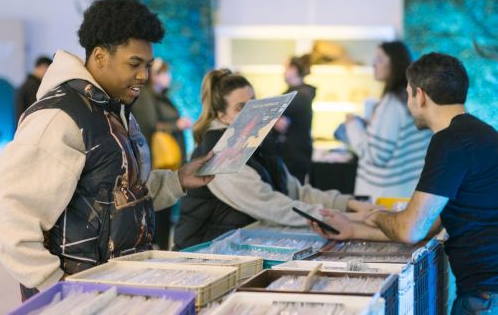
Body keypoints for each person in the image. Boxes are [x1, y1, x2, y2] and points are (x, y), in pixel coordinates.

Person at [0, 0, 213, 301]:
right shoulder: (59, 117)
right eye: (134, 64)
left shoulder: (113, 110)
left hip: (114, 292)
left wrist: (177, 181)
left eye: (148, 65)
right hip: (76, 301)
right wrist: (58, 288)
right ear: (99, 56)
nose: (144, 75)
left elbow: (117, 192)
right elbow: (10, 216)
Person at [311, 53, 498, 315]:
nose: (409, 103)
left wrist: (375, 216)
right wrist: (353, 229)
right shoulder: (478, 133)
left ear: (420, 96)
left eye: (409, 95)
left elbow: (410, 229)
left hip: (485, 298)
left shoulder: (450, 141)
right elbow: (428, 224)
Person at [174, 69, 377, 250]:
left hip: (233, 249)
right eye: (240, 108)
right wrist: (345, 219)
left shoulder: (254, 143)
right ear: (222, 115)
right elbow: (271, 205)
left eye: (253, 103)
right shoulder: (219, 154)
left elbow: (296, 192)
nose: (250, 112)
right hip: (205, 254)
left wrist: (349, 204)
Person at [344, 41, 432, 200]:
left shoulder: (392, 103)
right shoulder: (414, 97)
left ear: (395, 63)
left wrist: (352, 126)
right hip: (408, 191)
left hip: (384, 199)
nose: (373, 64)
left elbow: (375, 155)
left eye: (380, 59)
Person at [132, 58, 192, 250]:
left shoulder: (161, 96)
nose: (168, 77)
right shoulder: (146, 97)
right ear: (155, 75)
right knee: (158, 210)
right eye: (164, 73)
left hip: (167, 164)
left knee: (166, 208)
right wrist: (176, 125)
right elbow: (149, 125)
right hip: (155, 163)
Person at [274, 54, 316, 184]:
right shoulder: (299, 93)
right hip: (293, 155)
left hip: (294, 157)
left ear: (293, 69)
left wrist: (274, 119)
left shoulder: (300, 95)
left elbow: (274, 112)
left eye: (286, 68)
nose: (283, 72)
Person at [15, 56, 52, 124]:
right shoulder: (33, 86)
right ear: (43, 67)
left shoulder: (27, 84)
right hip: (30, 126)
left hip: (24, 127)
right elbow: (35, 109)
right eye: (48, 69)